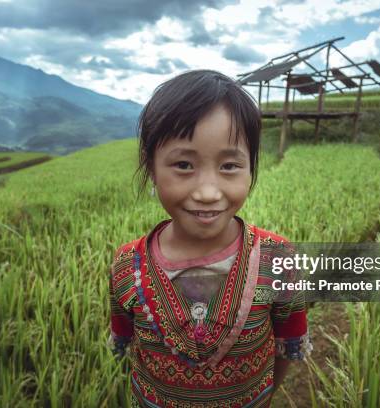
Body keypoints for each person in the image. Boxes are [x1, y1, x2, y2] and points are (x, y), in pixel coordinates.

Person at [108, 69, 311, 407]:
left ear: (251, 169)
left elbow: (288, 345)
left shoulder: (278, 259)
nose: (206, 192)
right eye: (184, 165)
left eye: (229, 166)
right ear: (151, 167)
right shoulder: (127, 267)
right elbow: (128, 341)